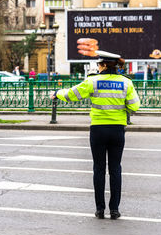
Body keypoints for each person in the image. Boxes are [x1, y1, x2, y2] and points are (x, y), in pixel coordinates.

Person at [51, 50, 140, 220]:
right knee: (115, 169)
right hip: (117, 131)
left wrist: (57, 93)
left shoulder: (92, 81)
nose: (98, 67)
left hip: (98, 130)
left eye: (99, 64)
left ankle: (100, 210)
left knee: (98, 169)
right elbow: (135, 106)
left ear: (105, 65)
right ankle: (114, 209)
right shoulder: (126, 83)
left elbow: (72, 95)